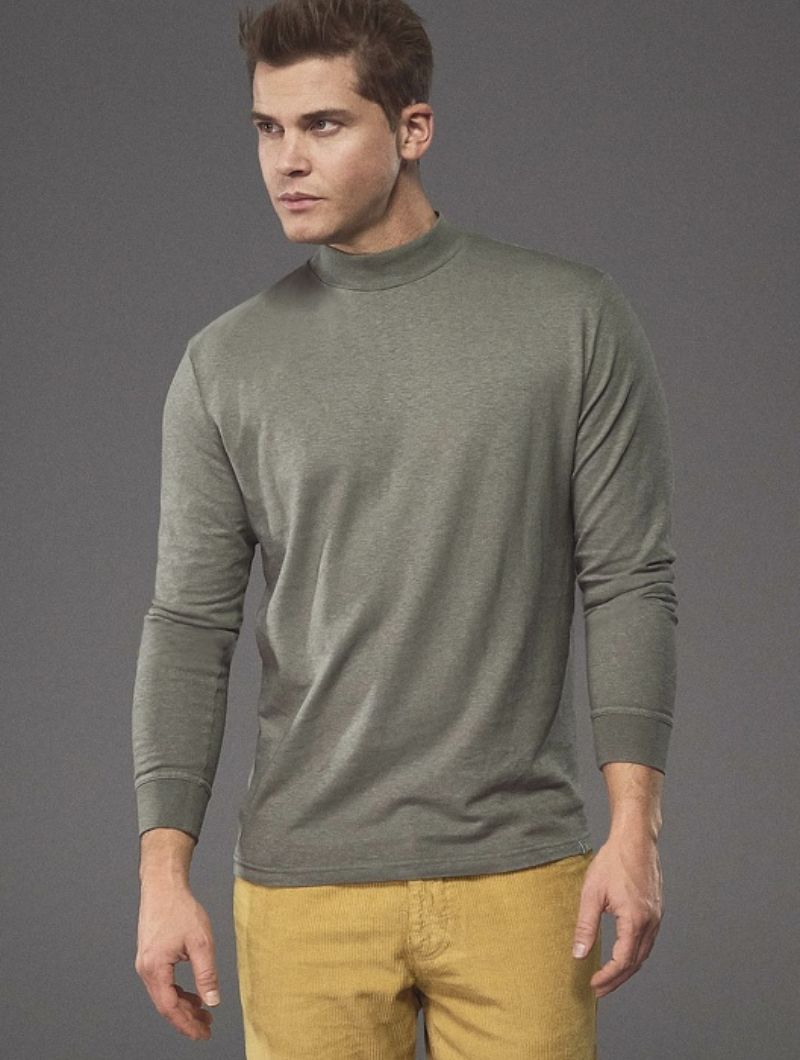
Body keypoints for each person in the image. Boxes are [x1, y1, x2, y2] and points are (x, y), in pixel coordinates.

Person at [132, 0, 678, 1056]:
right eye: (267, 128)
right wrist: (162, 876)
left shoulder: (569, 319)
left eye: (324, 124)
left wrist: (634, 832)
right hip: (303, 890)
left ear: (412, 128)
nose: (286, 160)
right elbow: (188, 628)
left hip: (521, 874)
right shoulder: (223, 364)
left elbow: (628, 582)